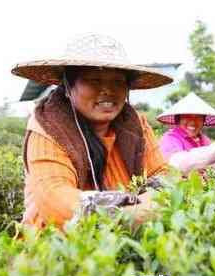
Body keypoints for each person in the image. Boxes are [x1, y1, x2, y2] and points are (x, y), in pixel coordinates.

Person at [11, 34, 173, 229]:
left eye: (117, 82)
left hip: (126, 240)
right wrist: (130, 212)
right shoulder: (47, 127)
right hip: (58, 247)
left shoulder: (136, 125)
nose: (107, 90)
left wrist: (150, 202)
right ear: (68, 87)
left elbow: (163, 176)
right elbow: (56, 199)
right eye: (93, 80)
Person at [157, 93, 215, 175]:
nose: (193, 122)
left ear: (203, 121)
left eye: (198, 117)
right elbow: (177, 163)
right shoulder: (170, 138)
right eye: (187, 116)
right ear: (178, 119)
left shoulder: (203, 139)